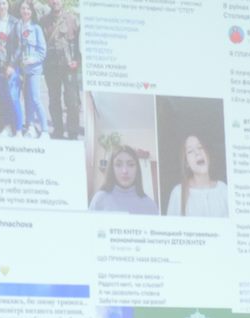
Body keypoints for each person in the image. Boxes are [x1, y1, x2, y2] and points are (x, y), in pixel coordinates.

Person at [40, 0, 80, 139]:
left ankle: (73, 133)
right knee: (54, 100)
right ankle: (58, 130)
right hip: (51, 66)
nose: (55, 1)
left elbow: (79, 43)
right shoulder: (43, 21)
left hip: (69, 66)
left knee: (73, 101)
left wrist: (77, 60)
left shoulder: (72, 19)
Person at [165, 134, 229, 217]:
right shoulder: (178, 193)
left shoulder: (223, 189)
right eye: (190, 151)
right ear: (186, 163)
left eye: (200, 147)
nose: (197, 153)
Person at [89, 145, 159, 214]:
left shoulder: (150, 205)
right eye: (118, 165)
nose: (125, 171)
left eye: (131, 165)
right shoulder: (99, 199)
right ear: (112, 169)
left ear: (137, 169)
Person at [15, 0, 49, 137]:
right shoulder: (17, 27)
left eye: (28, 9)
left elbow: (42, 52)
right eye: (23, 8)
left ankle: (45, 130)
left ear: (31, 11)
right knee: (26, 99)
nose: (25, 11)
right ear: (20, 10)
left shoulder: (36, 29)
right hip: (22, 70)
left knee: (35, 99)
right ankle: (30, 126)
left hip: (34, 70)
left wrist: (32, 60)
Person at [0, 0, 21, 137]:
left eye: (4, 3)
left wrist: (12, 65)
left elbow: (19, 46)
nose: (1, 6)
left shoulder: (15, 22)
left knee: (13, 97)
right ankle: (7, 127)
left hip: (11, 65)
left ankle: (18, 130)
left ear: (8, 5)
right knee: (2, 97)